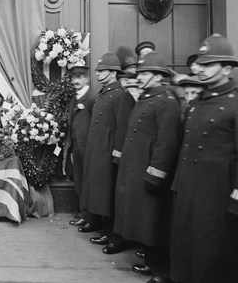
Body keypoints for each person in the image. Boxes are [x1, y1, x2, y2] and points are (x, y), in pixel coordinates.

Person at [170, 34, 238, 283]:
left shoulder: (234, 102)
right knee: (184, 247)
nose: (201, 69)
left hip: (217, 195)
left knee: (209, 255)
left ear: (227, 68)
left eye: (210, 65)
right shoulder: (198, 101)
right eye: (201, 63)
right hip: (188, 191)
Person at [113, 53, 182, 283]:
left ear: (158, 76)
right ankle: (152, 262)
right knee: (143, 221)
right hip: (134, 169)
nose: (139, 78)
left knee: (153, 222)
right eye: (139, 73)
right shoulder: (146, 99)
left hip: (149, 173)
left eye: (144, 74)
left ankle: (160, 269)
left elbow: (167, 144)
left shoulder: (166, 103)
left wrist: (155, 174)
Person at [79, 52, 135, 255]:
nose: (98, 74)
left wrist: (117, 154)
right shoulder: (103, 94)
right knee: (100, 193)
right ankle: (105, 230)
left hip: (109, 152)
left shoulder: (122, 95)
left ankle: (115, 238)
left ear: (113, 73)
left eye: (102, 71)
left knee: (109, 196)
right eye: (98, 71)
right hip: (98, 151)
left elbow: (123, 128)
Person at [66, 62, 97, 228]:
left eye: (79, 77)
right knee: (79, 180)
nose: (76, 81)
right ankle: (83, 214)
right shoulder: (75, 98)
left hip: (88, 148)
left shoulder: (91, 98)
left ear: (86, 79)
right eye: (73, 78)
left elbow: (95, 125)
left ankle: (90, 218)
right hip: (76, 147)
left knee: (88, 182)